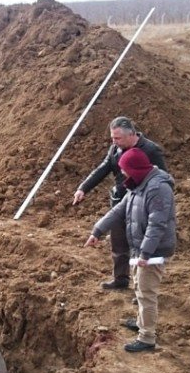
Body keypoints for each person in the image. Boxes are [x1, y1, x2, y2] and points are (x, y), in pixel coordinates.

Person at [84, 148, 176, 352]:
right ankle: (141, 321)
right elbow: (118, 211)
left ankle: (147, 337)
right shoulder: (138, 185)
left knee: (146, 293)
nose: (123, 174)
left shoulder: (158, 189)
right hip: (142, 247)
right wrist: (97, 231)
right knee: (139, 286)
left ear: (135, 169)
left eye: (125, 170)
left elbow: (157, 224)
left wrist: (145, 253)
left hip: (153, 252)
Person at [72, 116, 167, 290]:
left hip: (142, 206)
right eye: (112, 138)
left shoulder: (151, 150)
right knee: (119, 242)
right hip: (120, 201)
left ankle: (142, 288)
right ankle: (121, 279)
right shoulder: (115, 149)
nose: (114, 142)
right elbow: (103, 168)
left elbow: (162, 179)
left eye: (117, 138)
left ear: (131, 135)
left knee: (141, 246)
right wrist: (83, 188)